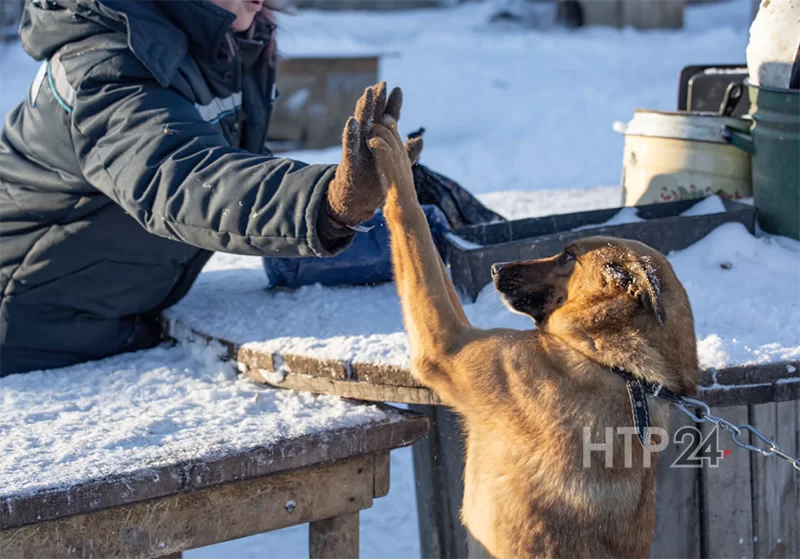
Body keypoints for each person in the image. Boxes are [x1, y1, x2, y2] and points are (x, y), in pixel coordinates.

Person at [0, 0, 419, 376]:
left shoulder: (212, 46)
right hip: (30, 341)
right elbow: (180, 176)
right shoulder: (105, 62)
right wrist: (327, 199)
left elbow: (235, 164)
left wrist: (373, 191)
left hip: (106, 325)